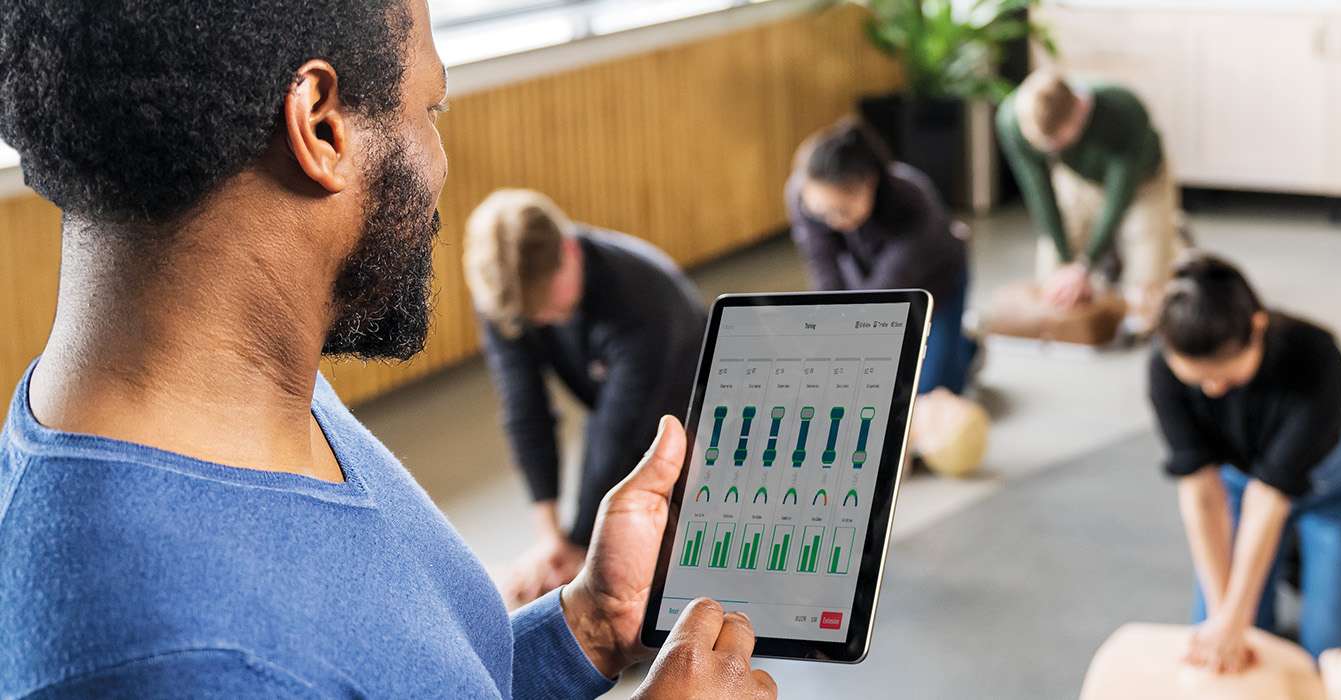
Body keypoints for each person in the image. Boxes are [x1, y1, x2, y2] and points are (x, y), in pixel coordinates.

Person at [0, 1, 772, 697]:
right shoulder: (172, 663)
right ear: (322, 126)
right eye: (429, 107)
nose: (440, 160)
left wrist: (586, 629)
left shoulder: (259, 397)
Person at [1148, 255, 1341, 669]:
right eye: (1197, 379)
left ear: (1258, 326)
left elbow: (1271, 498)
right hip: (1242, 484)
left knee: (1329, 657)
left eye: (1225, 376)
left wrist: (1233, 620)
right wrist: (1224, 616)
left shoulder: (1317, 357)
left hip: (1338, 487)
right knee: (1219, 634)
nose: (1212, 390)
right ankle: (1292, 566)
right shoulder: (1164, 365)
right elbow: (1202, 491)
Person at [465, 189, 706, 606]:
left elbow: (619, 430)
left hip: (695, 407)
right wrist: (551, 537)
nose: (543, 324)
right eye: (532, 318)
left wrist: (581, 546)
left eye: (552, 313)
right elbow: (526, 410)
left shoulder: (641, 298)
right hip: (616, 401)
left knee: (652, 584)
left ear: (570, 252)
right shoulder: (506, 295)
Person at [787, 118, 976, 394]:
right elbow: (822, 267)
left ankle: (967, 347)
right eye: (821, 212)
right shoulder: (802, 195)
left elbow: (881, 293)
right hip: (869, 275)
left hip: (937, 283)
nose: (831, 222)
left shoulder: (913, 201)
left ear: (870, 185)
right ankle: (955, 347)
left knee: (930, 392)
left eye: (842, 211)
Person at [997, 68, 1181, 332]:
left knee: (1146, 301)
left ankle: (1176, 240)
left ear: (1080, 110)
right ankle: (1103, 262)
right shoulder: (1012, 120)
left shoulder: (1124, 109)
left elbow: (1120, 195)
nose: (1048, 149)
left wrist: (1084, 266)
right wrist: (1065, 260)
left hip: (1143, 183)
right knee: (1054, 282)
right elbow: (1039, 193)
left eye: (1056, 142)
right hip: (1079, 180)